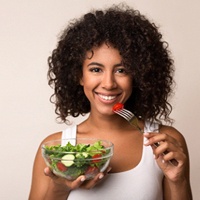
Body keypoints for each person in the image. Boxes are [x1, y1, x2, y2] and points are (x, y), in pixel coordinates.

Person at [28, 4, 192, 200]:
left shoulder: (166, 142)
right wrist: (59, 188)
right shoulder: (55, 150)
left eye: (121, 70)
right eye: (96, 69)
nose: (108, 84)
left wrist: (178, 180)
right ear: (79, 76)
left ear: (138, 76)